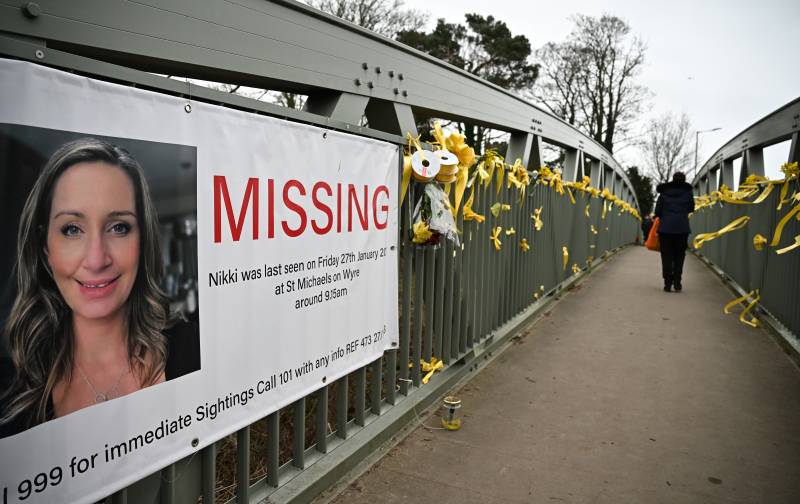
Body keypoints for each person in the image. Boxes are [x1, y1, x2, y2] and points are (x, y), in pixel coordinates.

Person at [0, 138, 197, 438]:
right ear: (45, 250)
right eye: (72, 229)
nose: (96, 259)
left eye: (119, 227)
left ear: (142, 243)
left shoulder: (191, 346)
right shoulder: (8, 391)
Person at [654, 171, 695, 292]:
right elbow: (691, 208)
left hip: (665, 229)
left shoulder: (664, 193)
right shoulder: (688, 193)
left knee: (666, 256)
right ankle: (677, 282)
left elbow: (657, 212)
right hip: (682, 229)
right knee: (679, 256)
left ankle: (667, 283)